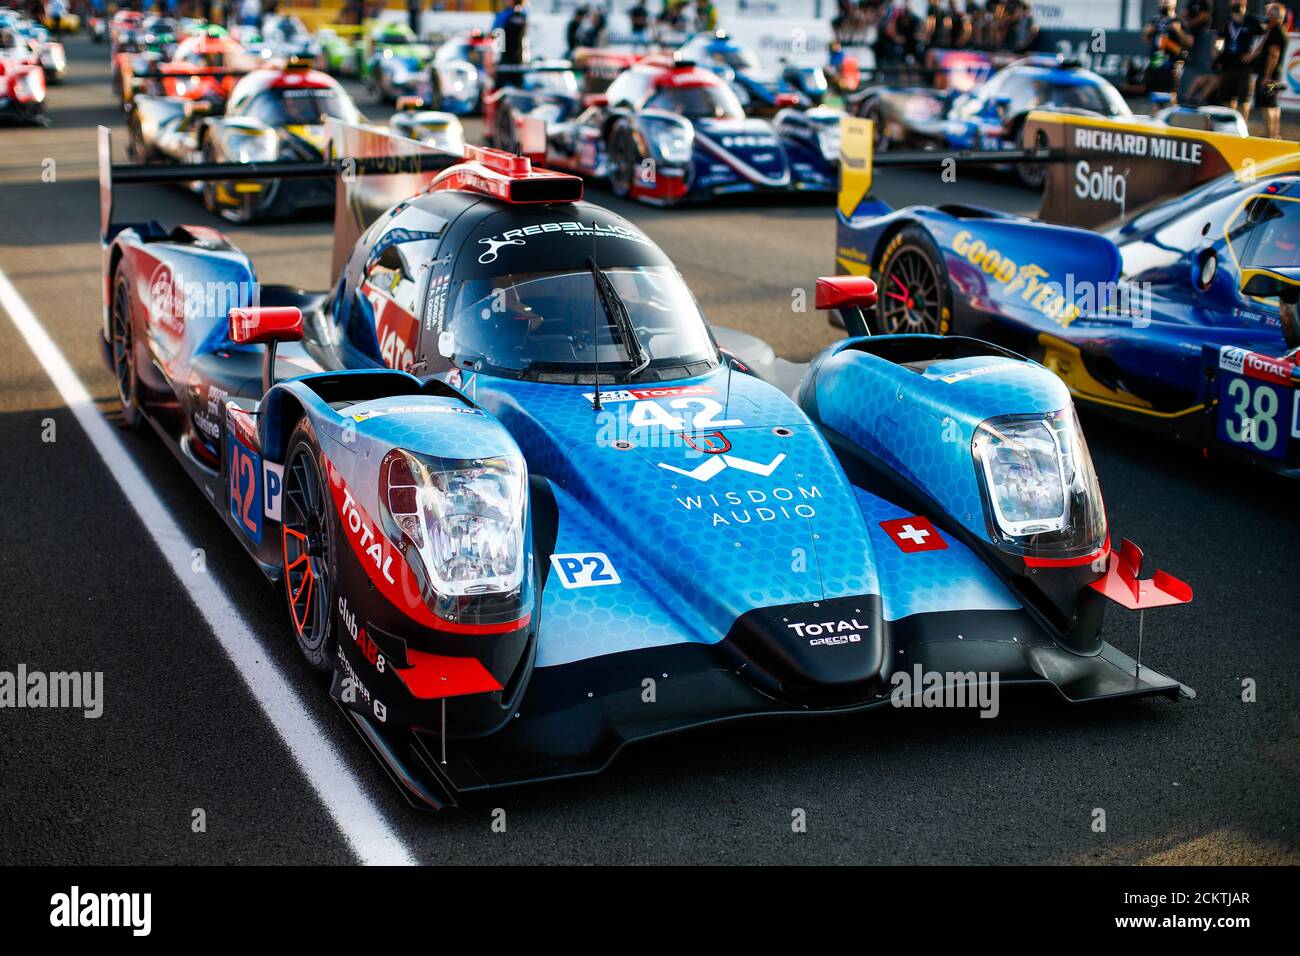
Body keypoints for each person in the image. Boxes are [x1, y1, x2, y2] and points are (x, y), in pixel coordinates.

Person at [1217, 0, 1263, 119]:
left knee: (1244, 100)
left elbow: (1262, 40)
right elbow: (1219, 38)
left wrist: (1252, 54)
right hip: (1227, 65)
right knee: (1226, 98)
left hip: (1245, 67)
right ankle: (1229, 124)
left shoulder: (1252, 21)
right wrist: (1216, 50)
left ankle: (1242, 127)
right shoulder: (1226, 20)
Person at [1255, 3, 1288, 138]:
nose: (1266, 16)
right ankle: (1275, 134)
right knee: (1273, 104)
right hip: (1275, 75)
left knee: (1267, 105)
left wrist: (1267, 76)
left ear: (1274, 16)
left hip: (1269, 75)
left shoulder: (1275, 32)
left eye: (1268, 13)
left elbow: (1273, 55)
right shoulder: (1277, 31)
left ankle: (1271, 135)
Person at [1143, 0, 1185, 100]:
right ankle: (1156, 113)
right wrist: (1148, 32)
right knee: (1154, 93)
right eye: (1162, 1)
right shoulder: (1154, 21)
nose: (1164, 3)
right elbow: (1146, 40)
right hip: (1156, 61)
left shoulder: (1178, 21)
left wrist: (1177, 32)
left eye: (1167, 1)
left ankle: (1171, 111)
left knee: (1170, 93)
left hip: (1171, 62)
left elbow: (1188, 42)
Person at [1177, 0, 1214, 103]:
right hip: (1190, 37)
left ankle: (1195, 97)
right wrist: (1184, 24)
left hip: (1201, 37)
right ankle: (1185, 96)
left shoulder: (1206, 3)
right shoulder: (1191, 2)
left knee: (1200, 73)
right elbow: (1184, 14)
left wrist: (1188, 23)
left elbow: (1204, 17)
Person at [497, 0, 527, 66]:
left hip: (507, 58)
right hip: (518, 58)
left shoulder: (504, 15)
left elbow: (495, 32)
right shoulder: (524, 13)